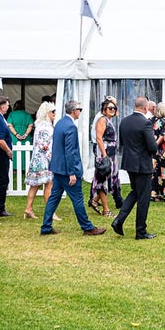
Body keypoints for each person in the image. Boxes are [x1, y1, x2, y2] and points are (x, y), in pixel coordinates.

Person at [40, 101, 106, 236]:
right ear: (74, 111)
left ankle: (46, 226)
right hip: (67, 169)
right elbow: (70, 152)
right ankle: (87, 227)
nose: (80, 112)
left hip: (58, 168)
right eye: (79, 109)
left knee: (54, 198)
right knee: (77, 199)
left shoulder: (59, 123)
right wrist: (72, 173)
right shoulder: (71, 127)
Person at [112, 96, 158, 240]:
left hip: (129, 162)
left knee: (135, 192)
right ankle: (140, 231)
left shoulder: (124, 121)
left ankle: (119, 219)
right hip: (143, 163)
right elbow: (153, 147)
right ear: (145, 108)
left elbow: (123, 142)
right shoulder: (145, 123)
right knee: (143, 197)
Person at [23, 102, 59, 221]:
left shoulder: (40, 125)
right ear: (47, 113)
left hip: (38, 159)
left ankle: (28, 209)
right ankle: (51, 212)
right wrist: (52, 158)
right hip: (44, 159)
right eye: (53, 111)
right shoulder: (45, 126)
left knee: (35, 185)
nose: (55, 113)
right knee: (48, 185)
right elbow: (45, 145)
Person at [90, 98, 120, 217]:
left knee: (109, 180)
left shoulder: (108, 120)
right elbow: (98, 138)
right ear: (104, 109)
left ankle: (95, 201)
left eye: (114, 108)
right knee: (103, 181)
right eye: (110, 108)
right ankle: (106, 210)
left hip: (111, 154)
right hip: (105, 154)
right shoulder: (102, 120)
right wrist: (104, 155)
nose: (112, 110)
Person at [151, 102, 165, 201]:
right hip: (162, 150)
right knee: (164, 171)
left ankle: (153, 193)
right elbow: (163, 136)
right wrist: (156, 145)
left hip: (152, 150)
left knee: (154, 172)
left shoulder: (150, 120)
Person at [7, 100, 34, 170]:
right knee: (25, 153)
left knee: (15, 152)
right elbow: (31, 125)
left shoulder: (11, 114)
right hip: (26, 136)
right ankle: (25, 167)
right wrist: (25, 134)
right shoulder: (27, 115)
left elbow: (9, 125)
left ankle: (15, 168)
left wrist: (16, 134)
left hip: (14, 136)